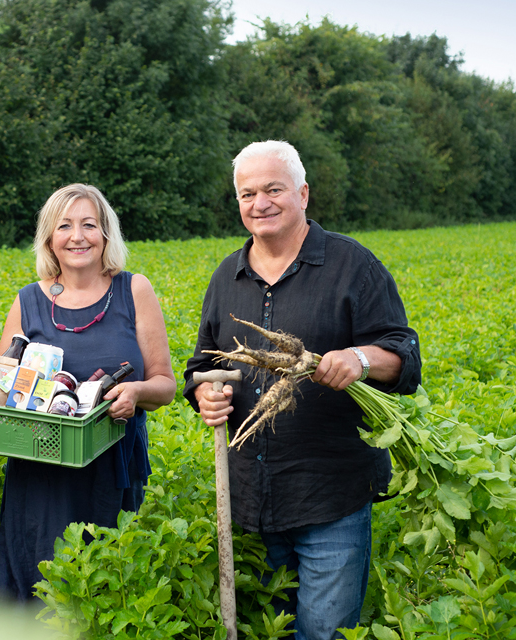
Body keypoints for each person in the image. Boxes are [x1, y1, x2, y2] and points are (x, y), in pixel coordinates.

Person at [182, 140, 421, 639]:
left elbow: (404, 356)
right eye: (248, 194)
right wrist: (204, 394)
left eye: (274, 189)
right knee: (268, 631)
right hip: (251, 501)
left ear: (304, 193)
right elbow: (202, 365)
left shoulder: (353, 265)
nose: (260, 203)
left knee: (323, 635)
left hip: (330, 499)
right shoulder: (228, 275)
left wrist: (359, 359)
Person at [0, 183, 176, 603]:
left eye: (89, 224)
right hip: (39, 476)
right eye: (64, 226)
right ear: (50, 237)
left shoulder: (133, 290)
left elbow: (165, 384)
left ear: (106, 234)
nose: (78, 236)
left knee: (106, 587)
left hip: (110, 471)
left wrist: (136, 391)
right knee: (38, 589)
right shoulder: (28, 301)